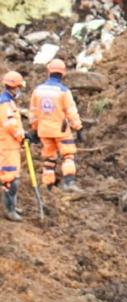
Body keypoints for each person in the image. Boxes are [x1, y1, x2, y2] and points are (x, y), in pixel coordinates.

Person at [29, 58, 83, 191]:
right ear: (63, 74)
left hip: (44, 130)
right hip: (60, 130)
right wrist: (78, 128)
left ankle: (48, 185)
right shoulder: (63, 91)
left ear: (49, 72)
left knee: (49, 157)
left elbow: (33, 112)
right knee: (68, 155)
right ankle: (69, 183)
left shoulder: (38, 90)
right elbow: (71, 111)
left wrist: (35, 129)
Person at [1, 70, 25, 221]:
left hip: (11, 146)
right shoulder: (4, 103)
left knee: (13, 177)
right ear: (15, 87)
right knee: (10, 179)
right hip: (6, 146)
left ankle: (12, 206)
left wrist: (23, 134)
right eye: (19, 87)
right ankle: (9, 210)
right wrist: (21, 136)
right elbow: (10, 125)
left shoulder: (9, 102)